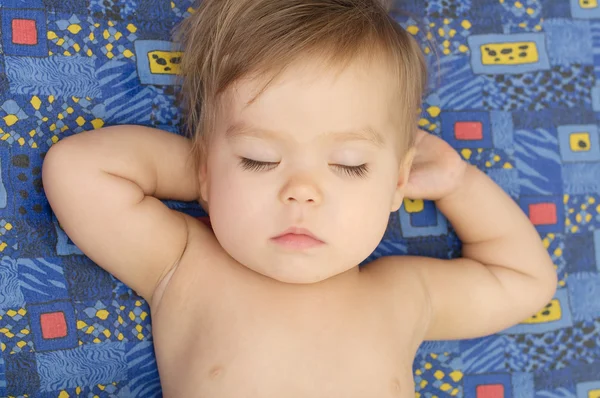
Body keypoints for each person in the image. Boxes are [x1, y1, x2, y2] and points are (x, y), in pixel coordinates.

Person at [41, 0, 557, 396]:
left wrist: (459, 184)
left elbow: (524, 282)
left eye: (350, 165)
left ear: (397, 183)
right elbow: (80, 170)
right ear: (205, 170)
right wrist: (211, 174)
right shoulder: (185, 265)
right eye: (259, 159)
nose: (302, 192)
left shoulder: (404, 294)